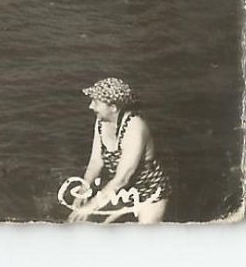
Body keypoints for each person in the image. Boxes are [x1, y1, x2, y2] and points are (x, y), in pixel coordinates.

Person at [68, 77, 171, 223]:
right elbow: (96, 162)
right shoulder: (101, 122)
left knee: (145, 238)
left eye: (96, 102)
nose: (90, 106)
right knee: (81, 221)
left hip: (150, 191)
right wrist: (82, 193)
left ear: (113, 108)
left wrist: (93, 205)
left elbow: (123, 177)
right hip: (122, 191)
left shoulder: (135, 127)